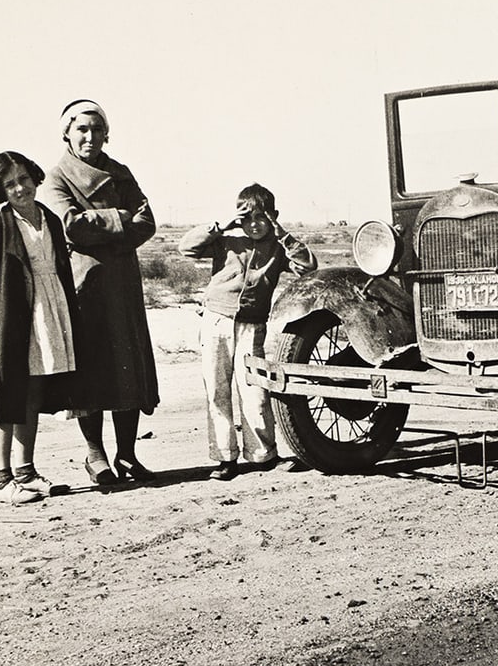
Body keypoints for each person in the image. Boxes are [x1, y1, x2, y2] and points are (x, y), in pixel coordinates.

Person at [43, 100, 160, 485]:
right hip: (85, 285)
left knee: (127, 369)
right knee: (91, 370)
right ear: (67, 133)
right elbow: (71, 227)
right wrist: (119, 220)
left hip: (123, 283)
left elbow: (148, 222)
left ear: (106, 133)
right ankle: (95, 455)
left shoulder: (120, 172)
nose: (90, 136)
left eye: (97, 129)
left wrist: (106, 226)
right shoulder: (58, 177)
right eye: (81, 129)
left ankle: (127, 454)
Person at [178, 185, 317, 480]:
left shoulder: (278, 249)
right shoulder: (225, 241)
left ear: (273, 218)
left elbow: (307, 266)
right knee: (217, 390)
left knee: (254, 391)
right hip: (215, 321)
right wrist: (220, 225)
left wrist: (283, 234)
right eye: (246, 218)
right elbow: (187, 248)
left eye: (261, 218)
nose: (253, 224)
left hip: (252, 326)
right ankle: (224, 458)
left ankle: (262, 455)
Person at [0, 152, 80, 504]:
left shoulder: (50, 219)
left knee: (31, 394)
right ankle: (1, 483)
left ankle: (25, 473)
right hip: (12, 324)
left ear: (34, 177)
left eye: (24, 179)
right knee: (5, 400)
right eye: (10, 184)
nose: (20, 188)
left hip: (49, 316)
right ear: (0, 190)